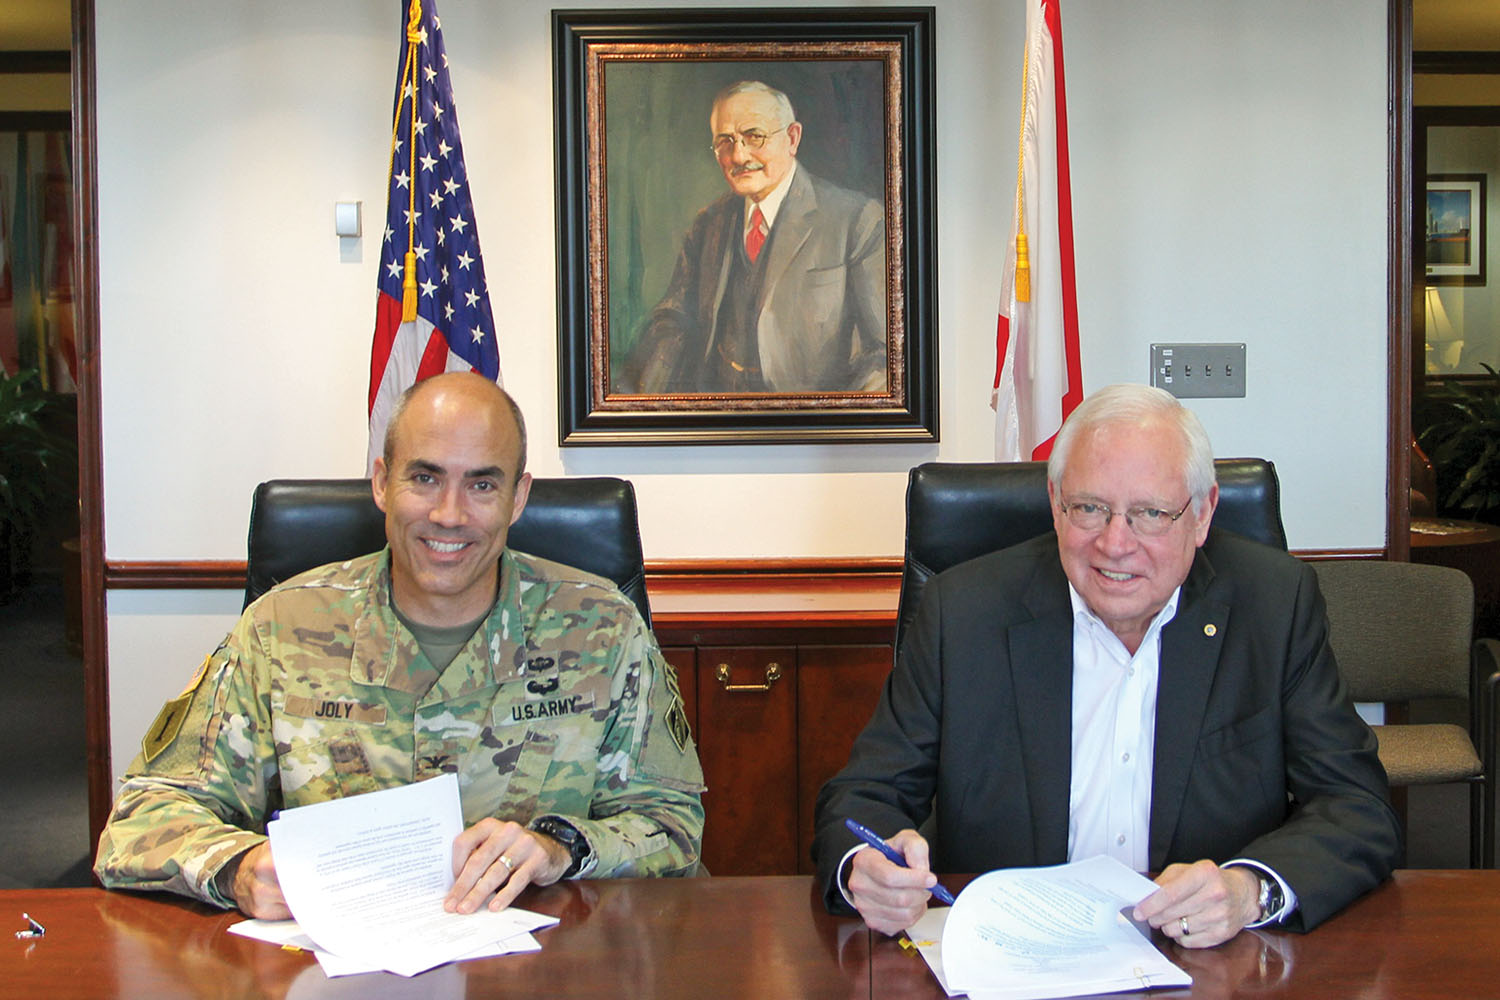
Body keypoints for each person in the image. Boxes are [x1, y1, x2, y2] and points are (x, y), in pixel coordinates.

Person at [95, 372, 705, 918]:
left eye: (482, 485)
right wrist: (236, 868)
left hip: (541, 970)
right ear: (383, 483)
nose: (448, 514)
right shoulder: (280, 629)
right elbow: (144, 817)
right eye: (425, 477)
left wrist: (559, 847)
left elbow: (674, 828)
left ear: (518, 499)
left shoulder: (604, 630)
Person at [812, 383, 1401, 947]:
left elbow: (1357, 807)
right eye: (1090, 508)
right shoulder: (963, 613)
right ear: (1054, 502)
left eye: (1149, 513)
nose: (1116, 544)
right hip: (1012, 963)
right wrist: (865, 866)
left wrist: (1249, 890)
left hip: (1207, 960)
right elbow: (864, 794)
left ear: (1202, 514)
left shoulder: (1274, 607)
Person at [617, 80, 887, 394]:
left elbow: (886, 357)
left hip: (807, 428)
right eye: (724, 141)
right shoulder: (709, 223)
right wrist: (635, 399)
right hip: (718, 423)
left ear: (792, 138)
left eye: (754, 136)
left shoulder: (858, 221)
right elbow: (673, 320)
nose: (738, 155)